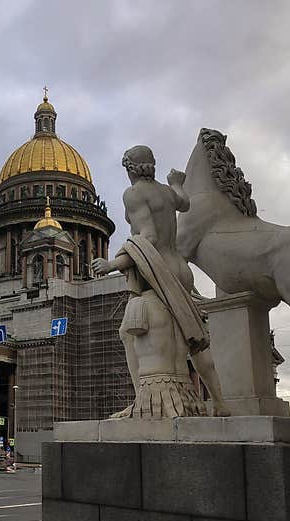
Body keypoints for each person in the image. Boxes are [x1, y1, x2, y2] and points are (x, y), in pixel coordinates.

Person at [92, 145, 229, 418]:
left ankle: (142, 399)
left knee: (126, 334)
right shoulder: (166, 192)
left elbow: (149, 237)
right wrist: (176, 183)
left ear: (131, 168)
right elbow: (184, 202)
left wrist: (113, 264)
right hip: (180, 268)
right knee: (193, 334)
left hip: (158, 271)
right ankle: (220, 401)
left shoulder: (133, 193)